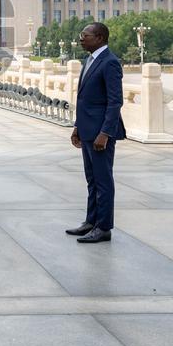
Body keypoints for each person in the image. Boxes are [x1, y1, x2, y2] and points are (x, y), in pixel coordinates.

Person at [66, 22, 125, 244]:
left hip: (100, 133)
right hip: (87, 130)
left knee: (103, 181)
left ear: (99, 37)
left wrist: (105, 133)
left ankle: (103, 227)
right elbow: (85, 100)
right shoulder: (89, 60)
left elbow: (114, 101)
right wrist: (77, 127)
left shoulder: (110, 62)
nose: (81, 39)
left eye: (85, 35)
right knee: (92, 180)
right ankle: (91, 221)